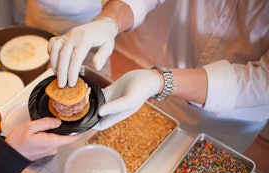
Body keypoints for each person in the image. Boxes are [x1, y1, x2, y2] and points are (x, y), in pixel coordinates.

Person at [48, 0, 269, 152]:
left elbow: (264, 80)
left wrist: (161, 81)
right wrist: (108, 21)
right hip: (169, 88)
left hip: (234, 118)